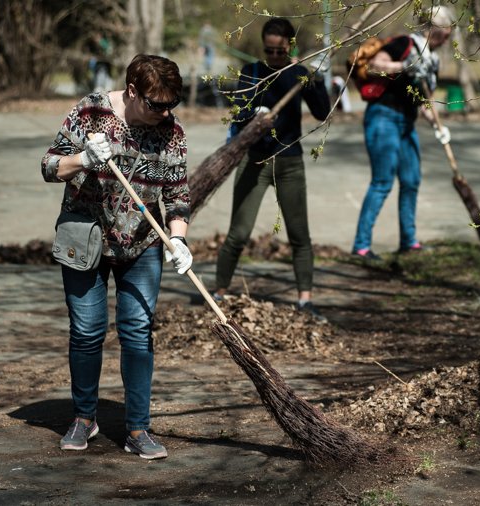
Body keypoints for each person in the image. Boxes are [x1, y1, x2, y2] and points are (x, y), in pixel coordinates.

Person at [41, 54, 192, 460]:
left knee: (138, 333)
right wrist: (83, 160)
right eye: (156, 104)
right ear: (131, 92)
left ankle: (138, 428)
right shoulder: (91, 111)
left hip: (141, 245)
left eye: (170, 104)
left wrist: (178, 240)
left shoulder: (170, 131)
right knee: (88, 331)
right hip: (85, 237)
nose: (165, 112)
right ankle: (84, 417)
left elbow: (177, 197)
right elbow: (49, 166)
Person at [213, 17, 331, 320]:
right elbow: (238, 115)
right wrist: (255, 112)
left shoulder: (299, 73)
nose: (275, 57)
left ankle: (305, 299)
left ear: (289, 47)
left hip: (290, 161)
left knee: (298, 234)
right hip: (255, 160)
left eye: (280, 52)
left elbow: (322, 112)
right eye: (270, 51)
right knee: (238, 234)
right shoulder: (252, 72)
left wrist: (317, 78)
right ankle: (218, 294)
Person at [351, 6, 454, 260]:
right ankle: (361, 246)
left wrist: (437, 126)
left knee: (411, 180)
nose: (448, 38)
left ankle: (409, 242)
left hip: (407, 122)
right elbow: (376, 65)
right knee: (382, 181)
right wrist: (405, 65)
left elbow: (424, 101)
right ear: (433, 28)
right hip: (383, 117)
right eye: (445, 33)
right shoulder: (405, 43)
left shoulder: (433, 59)